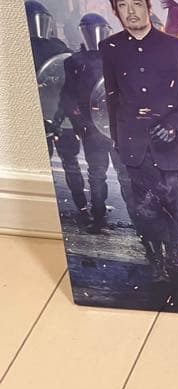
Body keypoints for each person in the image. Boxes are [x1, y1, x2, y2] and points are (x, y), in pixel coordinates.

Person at [101, 0, 178, 283]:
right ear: (115, 11)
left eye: (136, 3)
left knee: (175, 204)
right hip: (134, 146)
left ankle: (174, 256)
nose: (131, 11)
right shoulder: (110, 48)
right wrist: (119, 140)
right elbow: (112, 96)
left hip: (174, 145)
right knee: (145, 207)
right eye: (122, 5)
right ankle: (156, 260)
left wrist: (174, 124)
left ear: (148, 6)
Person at [53, 12, 134, 233]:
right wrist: (79, 123)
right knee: (103, 175)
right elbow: (68, 97)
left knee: (118, 175)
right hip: (95, 129)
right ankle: (101, 217)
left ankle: (134, 221)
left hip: (113, 128)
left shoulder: (118, 59)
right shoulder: (75, 62)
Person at [27, 1, 85, 220]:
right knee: (50, 166)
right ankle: (77, 210)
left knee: (67, 164)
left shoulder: (58, 46)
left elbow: (71, 72)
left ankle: (81, 208)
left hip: (59, 112)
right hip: (44, 113)